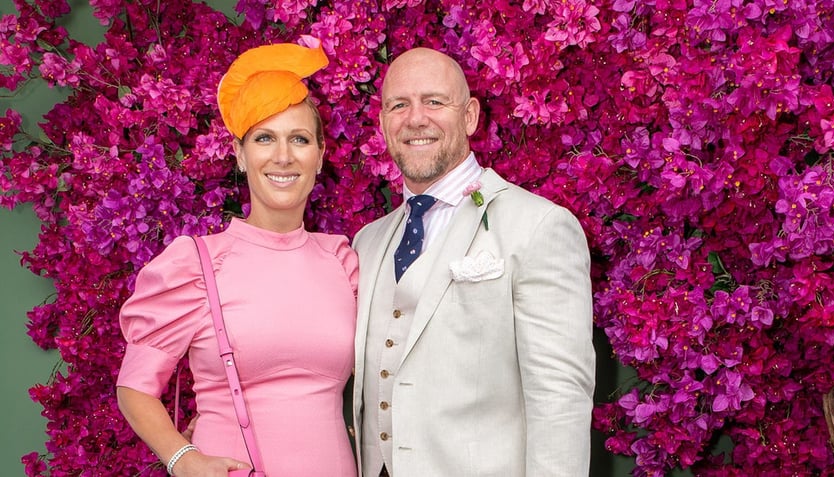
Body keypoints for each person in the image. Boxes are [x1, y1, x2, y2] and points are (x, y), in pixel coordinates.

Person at [116, 43, 358, 477]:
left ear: (320, 157)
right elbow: (135, 387)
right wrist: (182, 458)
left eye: (299, 139)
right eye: (264, 138)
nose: (282, 156)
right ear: (240, 155)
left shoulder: (343, 260)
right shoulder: (195, 264)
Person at [351, 47, 596, 476]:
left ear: (470, 116)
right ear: (383, 123)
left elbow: (560, 398)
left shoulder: (539, 225)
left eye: (434, 101)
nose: (415, 118)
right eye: (398, 105)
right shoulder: (367, 242)